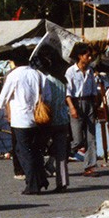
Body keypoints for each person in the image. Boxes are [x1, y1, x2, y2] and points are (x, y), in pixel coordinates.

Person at [0, 55, 50, 195]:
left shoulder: (14, 75)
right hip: (37, 118)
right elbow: (47, 96)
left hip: (20, 119)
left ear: (13, 61)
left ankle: (32, 185)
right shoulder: (38, 74)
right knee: (36, 150)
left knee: (23, 152)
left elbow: (5, 94)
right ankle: (41, 179)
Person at [65, 43, 102, 177]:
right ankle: (57, 159)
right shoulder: (70, 71)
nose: (90, 58)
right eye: (88, 55)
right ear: (80, 56)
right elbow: (68, 92)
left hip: (89, 103)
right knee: (78, 140)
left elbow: (93, 90)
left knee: (91, 137)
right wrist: (72, 108)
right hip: (76, 103)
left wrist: (96, 106)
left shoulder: (90, 71)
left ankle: (90, 166)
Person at [42, 63, 71, 193]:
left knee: (39, 149)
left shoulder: (46, 80)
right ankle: (62, 183)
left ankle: (40, 178)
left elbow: (45, 100)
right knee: (61, 154)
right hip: (63, 119)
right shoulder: (63, 81)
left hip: (49, 120)